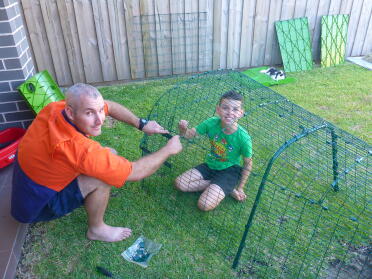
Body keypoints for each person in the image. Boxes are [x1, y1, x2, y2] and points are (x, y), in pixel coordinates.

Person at [11, 83, 182, 242]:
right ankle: (97, 229)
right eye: (89, 113)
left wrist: (141, 124)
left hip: (28, 185)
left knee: (109, 155)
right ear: (71, 112)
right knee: (103, 176)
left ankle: (87, 197)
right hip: (35, 206)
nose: (100, 120)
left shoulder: (55, 108)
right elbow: (135, 172)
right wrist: (168, 149)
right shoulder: (81, 150)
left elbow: (109, 105)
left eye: (100, 110)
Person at [175, 90, 252, 211]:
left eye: (235, 109)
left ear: (241, 113)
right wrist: (183, 129)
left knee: (204, 205)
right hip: (211, 164)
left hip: (230, 170)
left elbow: (248, 163)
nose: (230, 113)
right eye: (225, 108)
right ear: (218, 109)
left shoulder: (244, 138)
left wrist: (241, 187)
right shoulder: (211, 123)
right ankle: (224, 187)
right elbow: (189, 135)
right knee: (180, 184)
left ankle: (226, 185)